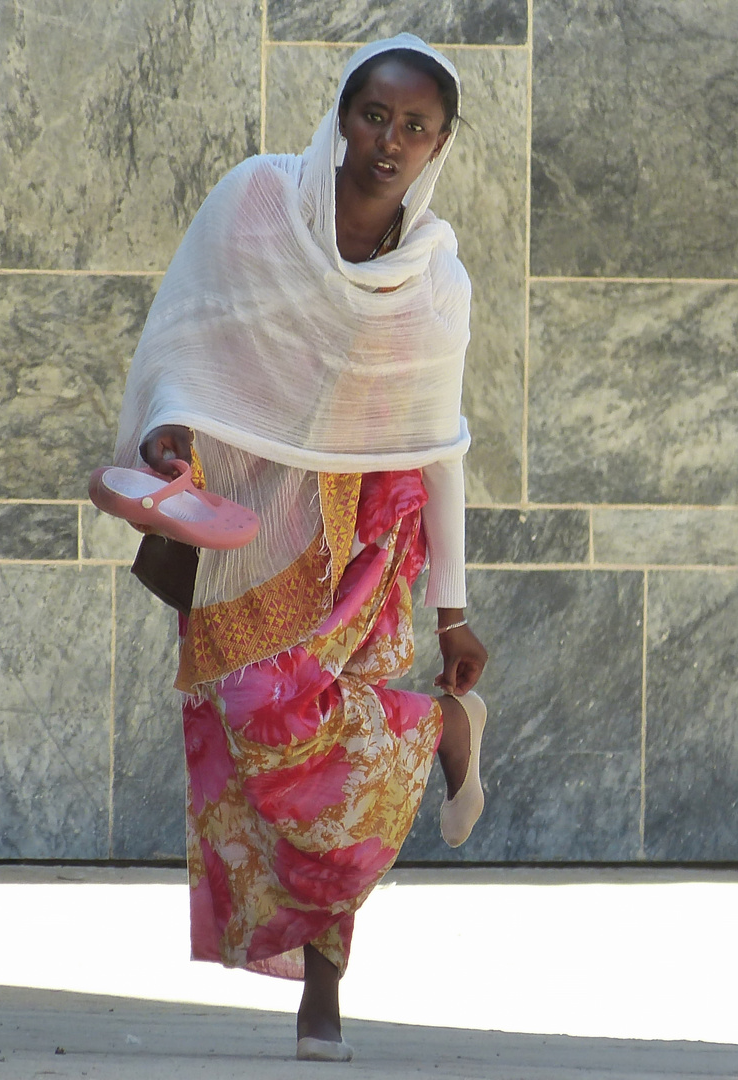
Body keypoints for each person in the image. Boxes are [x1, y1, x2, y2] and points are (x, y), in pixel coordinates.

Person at [112, 34, 487, 1062]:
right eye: (375, 115)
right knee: (251, 727)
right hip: (252, 503)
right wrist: (166, 438)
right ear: (340, 112)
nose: (389, 142)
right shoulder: (257, 206)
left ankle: (322, 991)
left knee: (310, 733)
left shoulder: (431, 276)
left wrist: (452, 608)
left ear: (440, 144)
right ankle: (438, 730)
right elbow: (185, 345)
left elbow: (440, 443)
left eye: (415, 128)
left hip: (371, 529)